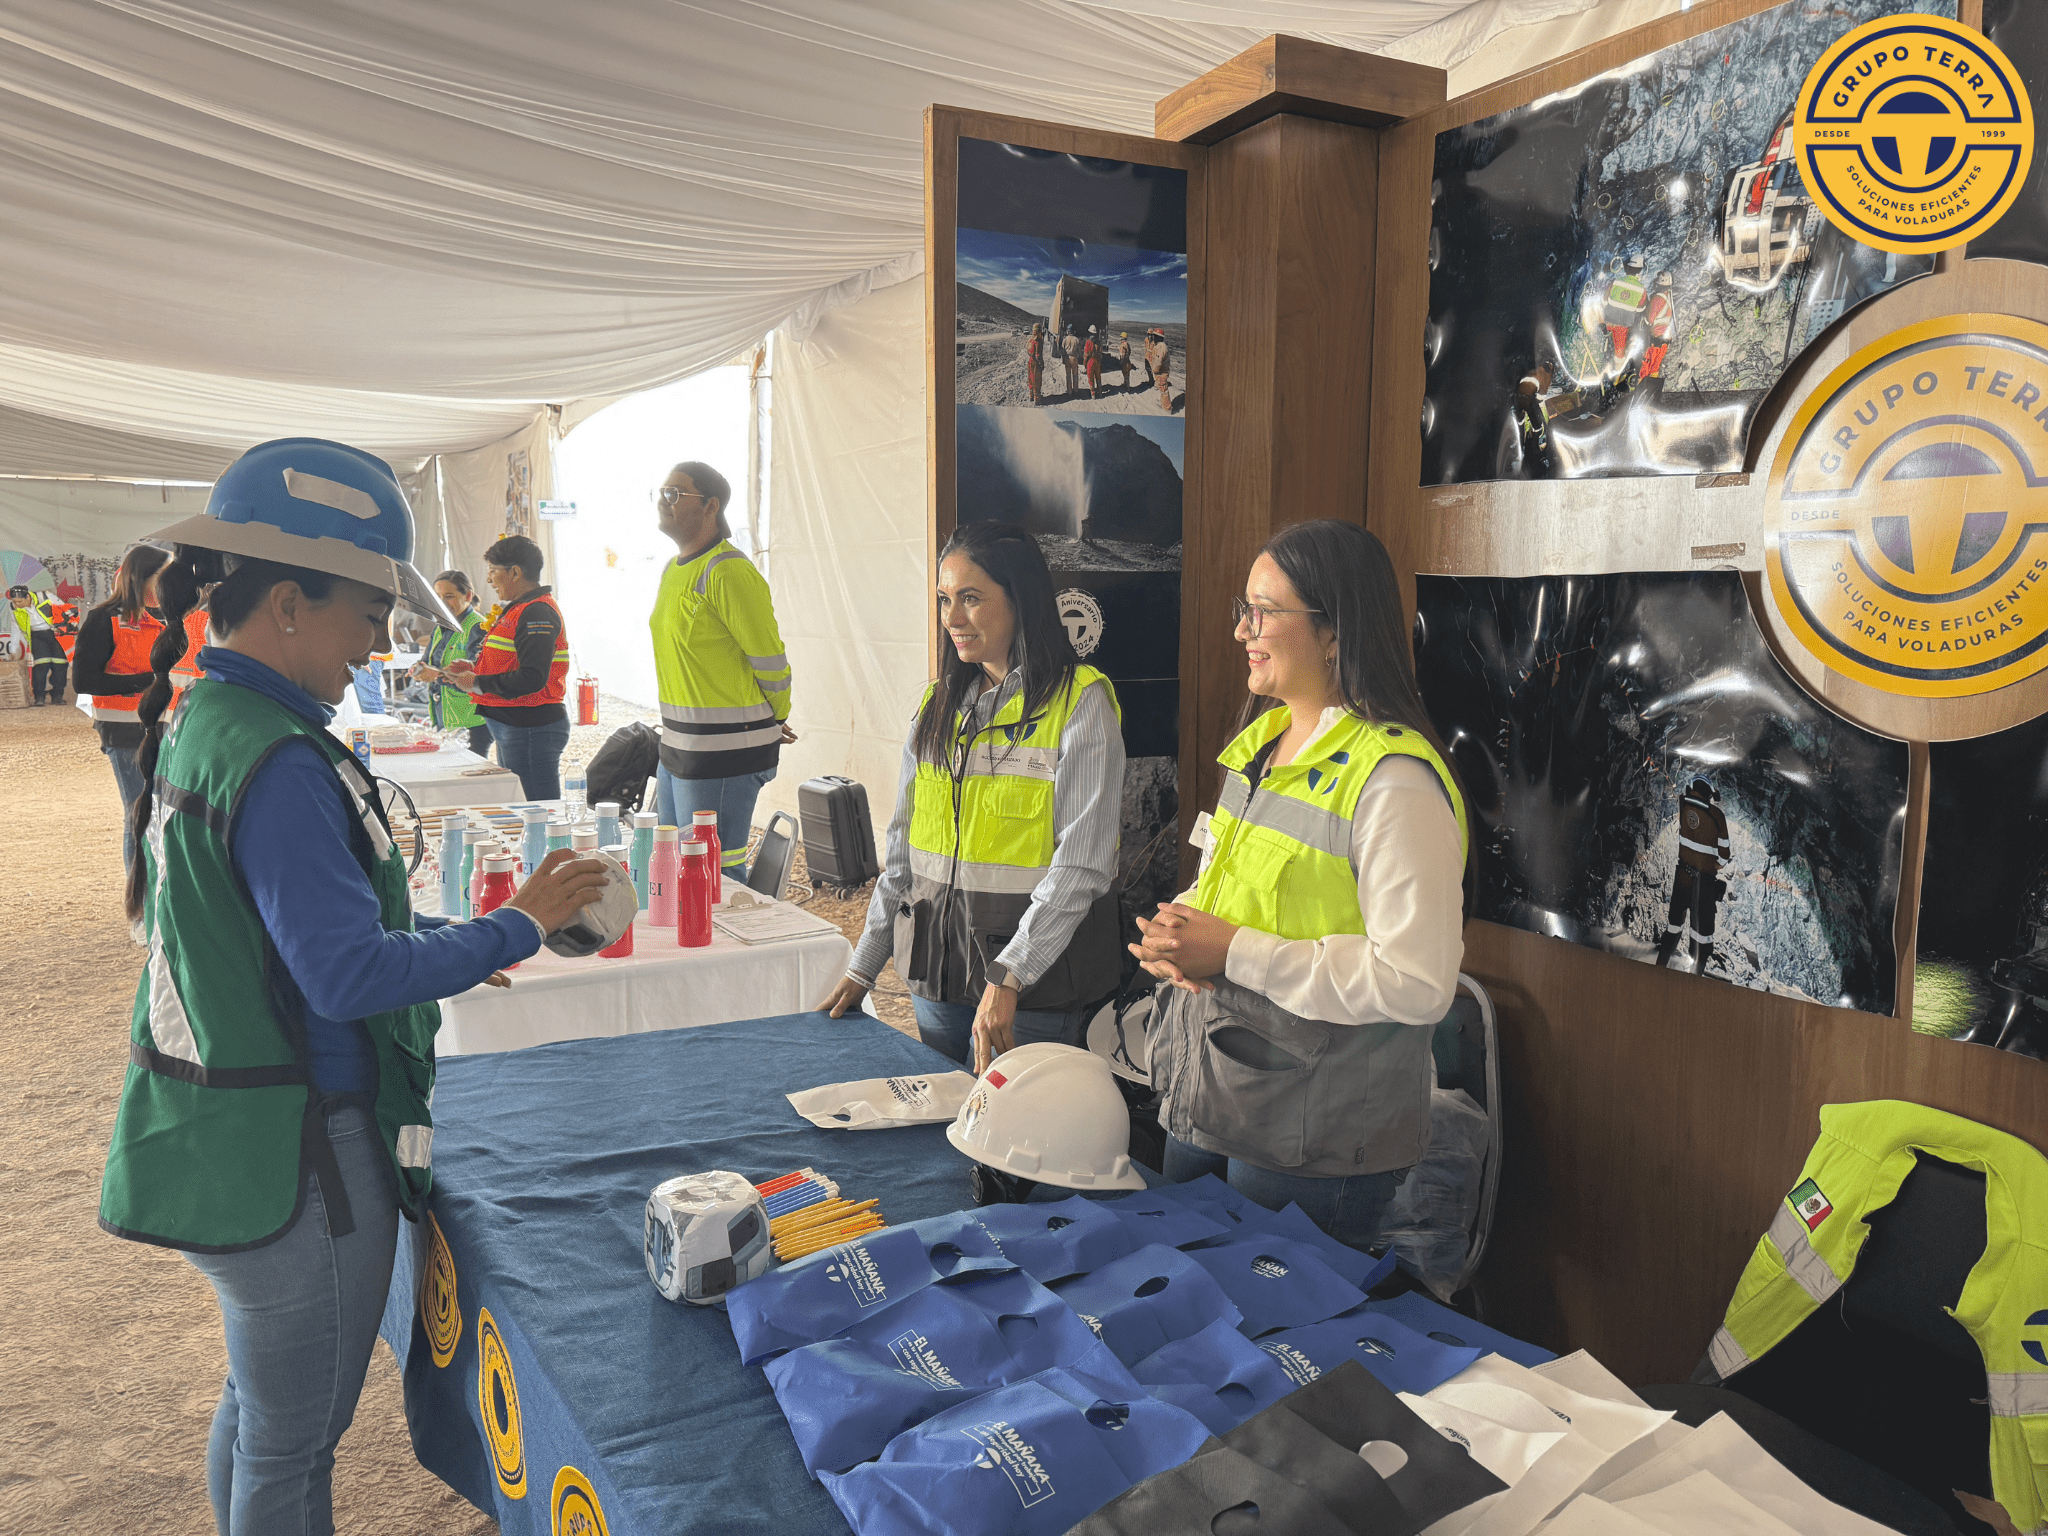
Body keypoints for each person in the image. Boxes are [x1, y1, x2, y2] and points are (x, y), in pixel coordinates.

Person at [95, 437, 609, 1536]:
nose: (375, 646)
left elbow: (306, 934)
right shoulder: (278, 756)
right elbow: (344, 973)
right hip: (295, 1151)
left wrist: (471, 936)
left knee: (261, 1413)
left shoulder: (213, 718)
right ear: (288, 604)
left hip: (224, 1129)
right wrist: (518, 922)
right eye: (366, 617)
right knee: (291, 1447)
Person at [1131, 520, 1468, 1250]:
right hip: (1210, 1091)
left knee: (1275, 1317)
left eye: (1263, 612)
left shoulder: (1394, 782)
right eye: (1243, 609)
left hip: (1314, 1133)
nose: (1241, 632)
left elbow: (1417, 983)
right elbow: (1238, 893)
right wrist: (1178, 929)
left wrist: (1232, 951)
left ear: (1334, 631)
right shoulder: (1260, 747)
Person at [819, 521, 1126, 1072]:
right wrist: (865, 963)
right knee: (943, 1113)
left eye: (971, 598)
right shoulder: (937, 705)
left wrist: (1010, 974)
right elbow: (903, 853)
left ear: (1021, 600)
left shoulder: (1080, 705)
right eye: (944, 599)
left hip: (1032, 988)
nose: (952, 618)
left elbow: (1082, 865)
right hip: (937, 973)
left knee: (1010, 1122)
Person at [648, 461, 794, 878]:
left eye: (675, 493)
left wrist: (774, 718)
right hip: (678, 745)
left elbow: (769, 659)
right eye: (661, 492)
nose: (663, 501)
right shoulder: (674, 569)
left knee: (714, 878)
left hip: (722, 755)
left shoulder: (728, 571)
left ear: (710, 506)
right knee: (675, 867)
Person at [442, 534, 570, 800]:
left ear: (515, 572)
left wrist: (477, 682)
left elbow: (532, 677)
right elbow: (513, 661)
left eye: (493, 571)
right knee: (523, 806)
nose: (489, 580)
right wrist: (474, 668)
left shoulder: (536, 611)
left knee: (535, 808)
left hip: (530, 727)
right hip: (515, 725)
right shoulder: (518, 608)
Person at [71, 544, 168, 867]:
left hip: (167, 728)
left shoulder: (167, 618)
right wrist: (147, 681)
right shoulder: (103, 619)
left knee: (164, 812)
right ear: (142, 578)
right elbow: (84, 681)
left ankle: (158, 889)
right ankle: (139, 894)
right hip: (125, 732)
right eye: (162, 577)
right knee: (139, 814)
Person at [1655, 777, 1730, 974]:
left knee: (1673, 928)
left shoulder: (1684, 803)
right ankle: (1693, 980)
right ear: (1709, 794)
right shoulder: (1717, 815)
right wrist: (1712, 866)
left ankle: (1658, 971)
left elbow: (1686, 797)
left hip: (1682, 877)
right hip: (1704, 884)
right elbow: (1724, 856)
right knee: (1701, 938)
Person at [413, 569, 491, 755]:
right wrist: (419, 669)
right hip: (444, 718)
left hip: (471, 722)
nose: (442, 603)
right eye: (437, 597)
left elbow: (478, 680)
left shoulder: (478, 627)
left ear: (468, 596)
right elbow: (426, 661)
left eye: (449, 596)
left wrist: (436, 676)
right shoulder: (442, 626)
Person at [10, 583, 69, 704]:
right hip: (36, 636)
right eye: (14, 602)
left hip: (55, 634)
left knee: (60, 664)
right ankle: (39, 696)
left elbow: (66, 610)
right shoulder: (14, 608)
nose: (16, 604)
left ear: (27, 597)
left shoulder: (45, 596)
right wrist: (13, 649)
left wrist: (63, 627)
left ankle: (57, 695)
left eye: (19, 601)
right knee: (41, 665)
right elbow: (15, 627)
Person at [1145, 328, 1174, 412]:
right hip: (1162, 371)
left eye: (1155, 336)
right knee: (1162, 389)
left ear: (1158, 337)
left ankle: (1167, 408)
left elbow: (1158, 361)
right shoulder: (1161, 346)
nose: (1153, 337)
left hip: (1161, 372)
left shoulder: (1160, 347)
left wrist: (1155, 370)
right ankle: (1164, 405)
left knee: (1164, 390)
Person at [1023, 322, 1044, 406]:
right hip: (1036, 363)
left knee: (1031, 378)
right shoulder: (1038, 341)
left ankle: (1031, 395)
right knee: (1036, 380)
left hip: (1030, 361)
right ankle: (1037, 398)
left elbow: (1028, 350)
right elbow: (1038, 355)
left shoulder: (1030, 340)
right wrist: (1041, 364)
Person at [1062, 325, 1082, 398]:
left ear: (1068, 331)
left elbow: (1062, 350)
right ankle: (1076, 391)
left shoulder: (1065, 339)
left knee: (1068, 375)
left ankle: (1069, 392)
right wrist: (1080, 357)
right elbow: (1079, 350)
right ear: (1073, 331)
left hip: (1067, 358)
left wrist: (1063, 358)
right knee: (1075, 374)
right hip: (1074, 358)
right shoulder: (1076, 339)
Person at [1084, 324, 1102, 399]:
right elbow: (1100, 353)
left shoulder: (1088, 342)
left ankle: (1093, 394)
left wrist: (1085, 363)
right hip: (1097, 361)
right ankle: (1100, 392)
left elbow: (1086, 354)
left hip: (1090, 361)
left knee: (1091, 379)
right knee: (1098, 377)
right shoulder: (1099, 342)